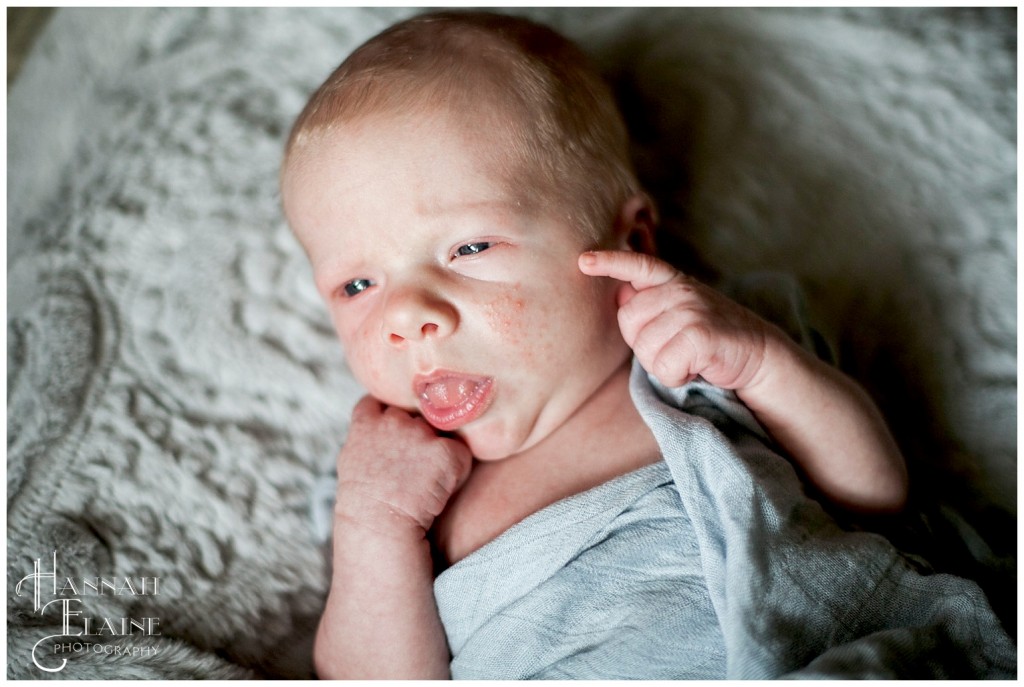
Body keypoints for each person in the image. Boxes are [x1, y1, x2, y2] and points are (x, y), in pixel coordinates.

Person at [279, 10, 1013, 680]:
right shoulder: (390, 483)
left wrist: (763, 363)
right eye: (356, 286)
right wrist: (374, 524)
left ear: (630, 239)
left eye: (468, 246)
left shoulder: (709, 350)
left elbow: (876, 494)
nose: (408, 317)